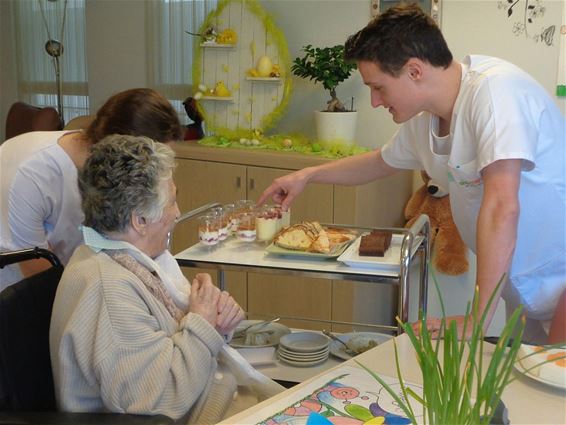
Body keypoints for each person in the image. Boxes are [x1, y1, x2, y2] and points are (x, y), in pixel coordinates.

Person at [258, 4, 565, 344]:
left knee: (550, 389)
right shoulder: (425, 118)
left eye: (379, 88)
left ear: (415, 71)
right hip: (523, 289)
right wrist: (308, 175)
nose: (375, 101)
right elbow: (378, 162)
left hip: (560, 281)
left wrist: (477, 319)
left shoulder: (495, 94)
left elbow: (502, 206)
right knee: (527, 386)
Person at [50, 135, 283, 422]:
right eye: (172, 201)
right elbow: (157, 401)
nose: (178, 212)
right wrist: (202, 323)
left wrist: (216, 323)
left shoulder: (125, 259)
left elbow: (170, 345)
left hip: (219, 398)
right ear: (140, 220)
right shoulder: (107, 289)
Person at [0, 88, 182, 291]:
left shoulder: (108, 175)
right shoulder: (34, 174)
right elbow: (37, 273)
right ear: (122, 151)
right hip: (18, 291)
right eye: (155, 168)